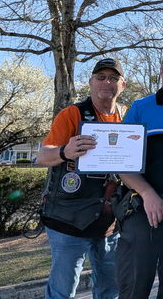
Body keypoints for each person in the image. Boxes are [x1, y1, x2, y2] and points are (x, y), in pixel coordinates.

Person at [38, 58, 127, 299]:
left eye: (113, 78)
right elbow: (42, 156)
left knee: (110, 289)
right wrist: (64, 151)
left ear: (123, 85)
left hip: (109, 221)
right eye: (101, 77)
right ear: (90, 82)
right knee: (62, 292)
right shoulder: (72, 114)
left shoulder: (128, 117)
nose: (106, 82)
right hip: (68, 220)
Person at [116, 47, 163, 299]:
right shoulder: (140, 108)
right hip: (143, 209)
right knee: (134, 288)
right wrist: (148, 194)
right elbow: (122, 163)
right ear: (161, 72)